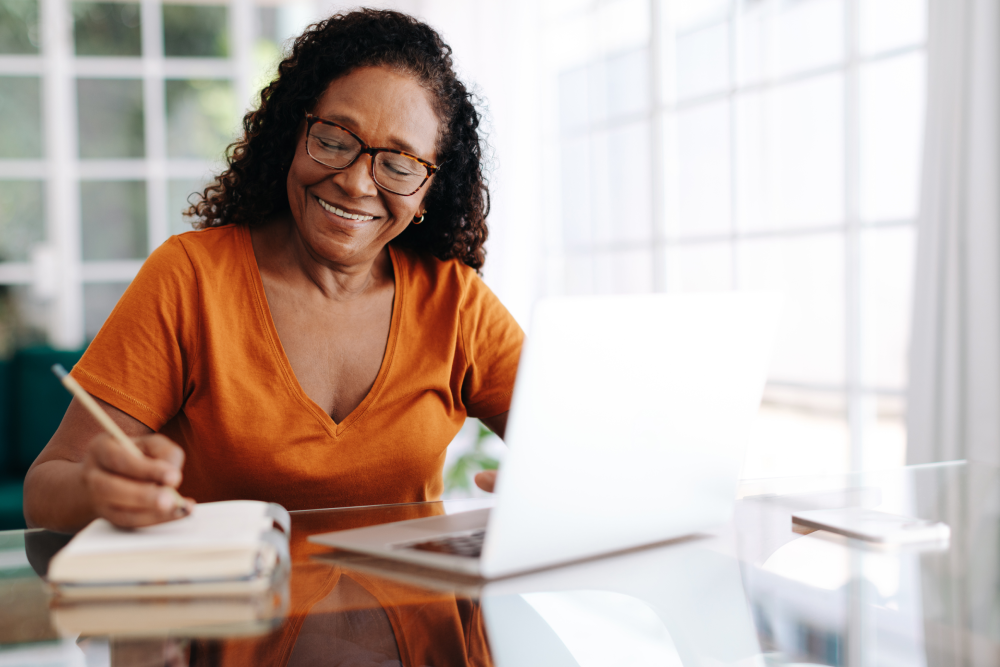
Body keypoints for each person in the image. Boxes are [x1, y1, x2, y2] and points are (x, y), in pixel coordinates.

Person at [23, 9, 522, 533]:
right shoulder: (191, 279)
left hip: (418, 614)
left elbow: (583, 451)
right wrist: (96, 491)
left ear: (426, 191)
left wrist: (549, 487)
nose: (355, 183)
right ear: (293, 134)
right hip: (232, 609)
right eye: (333, 140)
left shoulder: (455, 302)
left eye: (398, 165)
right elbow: (46, 487)